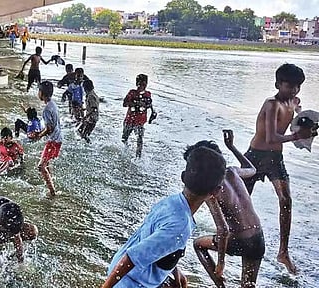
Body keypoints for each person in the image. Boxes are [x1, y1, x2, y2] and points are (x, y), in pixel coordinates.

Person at [102, 146, 227, 288]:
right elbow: (132, 258)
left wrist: (173, 269)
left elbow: (155, 244)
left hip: (124, 271)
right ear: (216, 191)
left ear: (183, 176)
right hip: (130, 282)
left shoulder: (171, 203)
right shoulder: (180, 226)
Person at [243, 63, 316, 274]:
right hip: (255, 156)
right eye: (289, 85)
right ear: (278, 84)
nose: (293, 90)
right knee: (241, 199)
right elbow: (271, 137)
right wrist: (296, 136)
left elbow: (298, 120)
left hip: (275, 158)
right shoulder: (271, 104)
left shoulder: (294, 101)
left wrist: (306, 125)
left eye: (297, 86)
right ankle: (232, 233)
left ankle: (283, 252)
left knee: (286, 200)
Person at [191, 130, 264, 288]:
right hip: (258, 237)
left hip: (240, 240)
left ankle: (220, 285)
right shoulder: (233, 171)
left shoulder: (211, 189)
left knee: (198, 244)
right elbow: (252, 169)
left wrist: (220, 263)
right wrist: (232, 147)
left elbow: (223, 230)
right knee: (248, 284)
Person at [36, 81, 63, 196]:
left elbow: (49, 128)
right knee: (46, 164)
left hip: (53, 141)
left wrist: (39, 135)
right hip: (57, 139)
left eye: (38, 91)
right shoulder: (53, 104)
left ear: (41, 93)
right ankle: (51, 185)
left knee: (41, 166)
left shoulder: (47, 109)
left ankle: (52, 192)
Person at [122, 74, 156, 158]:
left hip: (140, 122)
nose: (142, 86)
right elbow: (124, 104)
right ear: (137, 83)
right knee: (124, 138)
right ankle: (125, 152)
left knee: (140, 140)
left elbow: (150, 105)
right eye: (141, 84)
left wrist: (152, 113)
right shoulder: (132, 93)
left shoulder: (148, 94)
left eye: (144, 84)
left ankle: (138, 157)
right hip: (129, 120)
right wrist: (137, 103)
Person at [78, 79, 99, 143]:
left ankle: (90, 145)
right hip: (90, 118)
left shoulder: (91, 96)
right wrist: (84, 109)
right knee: (80, 130)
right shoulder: (92, 94)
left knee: (84, 135)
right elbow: (92, 107)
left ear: (85, 88)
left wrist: (86, 116)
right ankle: (86, 143)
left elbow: (94, 109)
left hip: (92, 119)